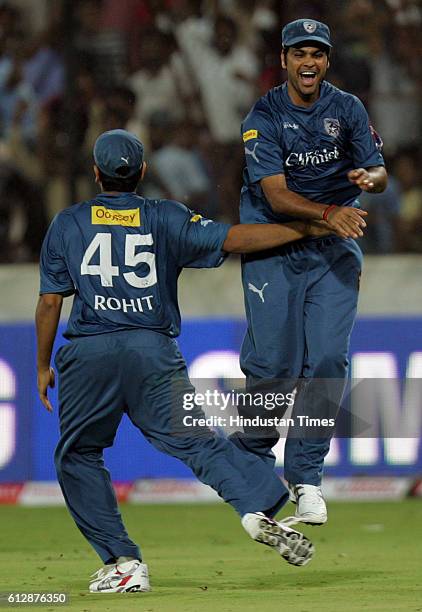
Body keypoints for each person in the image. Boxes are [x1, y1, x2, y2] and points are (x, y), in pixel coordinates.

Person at [36, 129, 332, 594]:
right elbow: (236, 239)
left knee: (77, 455)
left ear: (95, 173)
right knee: (200, 444)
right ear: (143, 173)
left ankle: (124, 563)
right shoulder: (164, 216)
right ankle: (255, 506)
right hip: (153, 354)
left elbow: (51, 302)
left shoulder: (67, 223)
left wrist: (41, 365)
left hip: (90, 354)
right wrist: (309, 226)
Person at [235, 19, 387, 526]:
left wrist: (371, 177)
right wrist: (326, 214)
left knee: (325, 359)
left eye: (317, 54)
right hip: (276, 243)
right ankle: (252, 457)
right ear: (283, 59)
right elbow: (276, 195)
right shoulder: (263, 116)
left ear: (327, 61)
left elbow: (379, 171)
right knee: (275, 366)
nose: (309, 62)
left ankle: (306, 480)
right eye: (299, 53)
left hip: (333, 248)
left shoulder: (347, 108)